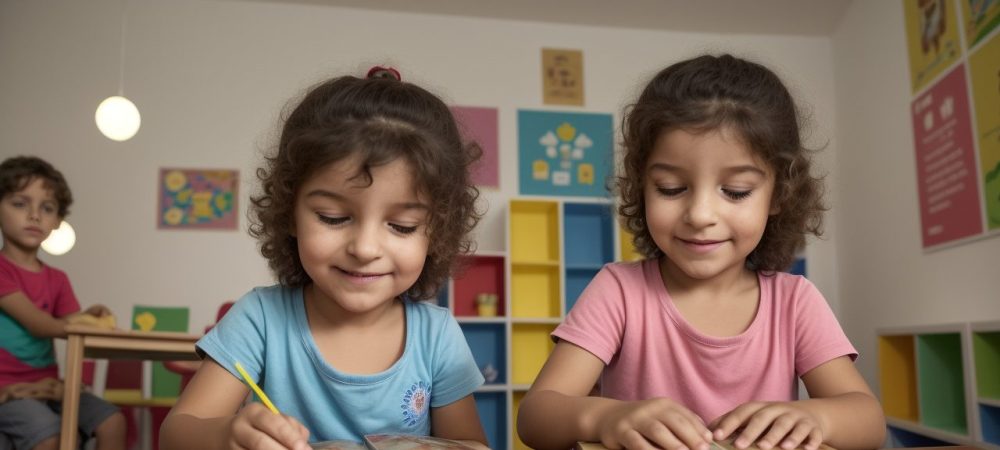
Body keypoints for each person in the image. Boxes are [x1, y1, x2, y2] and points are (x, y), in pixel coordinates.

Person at [517, 54, 886, 450]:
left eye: (736, 191)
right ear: (642, 187)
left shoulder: (794, 302)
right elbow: (536, 416)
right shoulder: (618, 290)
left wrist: (816, 417)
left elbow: (868, 421)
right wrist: (604, 416)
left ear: (778, 194)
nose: (700, 215)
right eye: (671, 188)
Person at [161, 67, 488, 450]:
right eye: (333, 218)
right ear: (289, 213)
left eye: (402, 225)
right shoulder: (260, 319)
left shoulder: (437, 337)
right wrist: (227, 436)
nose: (365, 249)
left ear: (438, 232)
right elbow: (177, 432)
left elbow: (471, 445)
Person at [0, 156, 126, 450]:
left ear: (57, 221)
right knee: (50, 435)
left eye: (47, 208)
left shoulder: (57, 278)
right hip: (9, 390)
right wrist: (80, 323)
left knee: (113, 422)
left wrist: (91, 318)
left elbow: (73, 325)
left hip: (50, 388)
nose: (34, 215)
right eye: (20, 204)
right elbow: (39, 324)